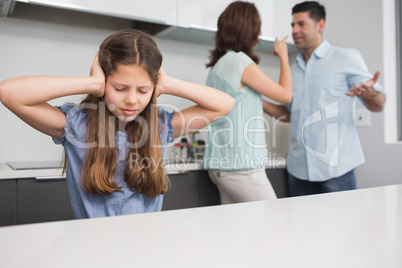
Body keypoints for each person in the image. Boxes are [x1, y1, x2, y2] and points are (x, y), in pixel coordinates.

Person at [0, 29, 235, 218]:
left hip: (147, 249)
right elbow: (9, 92)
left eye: (143, 90)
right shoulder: (77, 126)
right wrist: (91, 83)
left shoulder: (160, 127)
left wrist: (168, 83)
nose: (132, 99)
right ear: (104, 83)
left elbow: (224, 104)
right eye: (120, 88)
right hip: (96, 250)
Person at [263, 1, 386, 197]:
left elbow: (378, 104)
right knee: (300, 228)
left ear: (320, 25)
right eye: (292, 25)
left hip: (336, 171)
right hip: (298, 171)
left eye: (301, 24)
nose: (294, 30)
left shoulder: (346, 57)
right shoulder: (291, 72)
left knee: (341, 227)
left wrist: (370, 94)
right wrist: (256, 100)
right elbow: (289, 115)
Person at [203, 1, 292, 204]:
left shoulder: (218, 66)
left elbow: (240, 103)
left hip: (220, 166)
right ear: (251, 30)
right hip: (242, 168)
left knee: (238, 232)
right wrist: (284, 56)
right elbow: (286, 95)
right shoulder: (239, 61)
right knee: (275, 224)